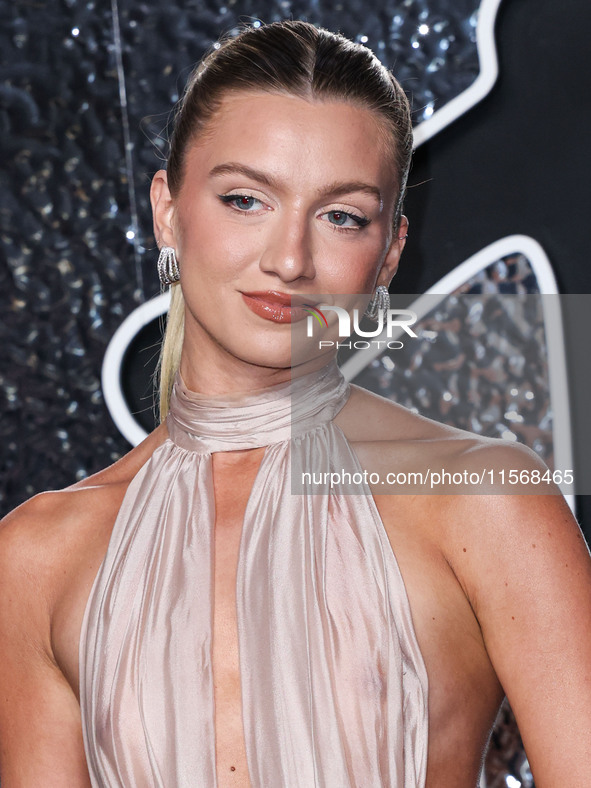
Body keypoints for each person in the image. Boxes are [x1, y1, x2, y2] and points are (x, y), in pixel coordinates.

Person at [0, 19, 590, 788]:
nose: (288, 259)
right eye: (245, 199)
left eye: (341, 215)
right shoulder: (38, 553)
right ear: (168, 210)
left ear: (388, 254)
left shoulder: (484, 503)